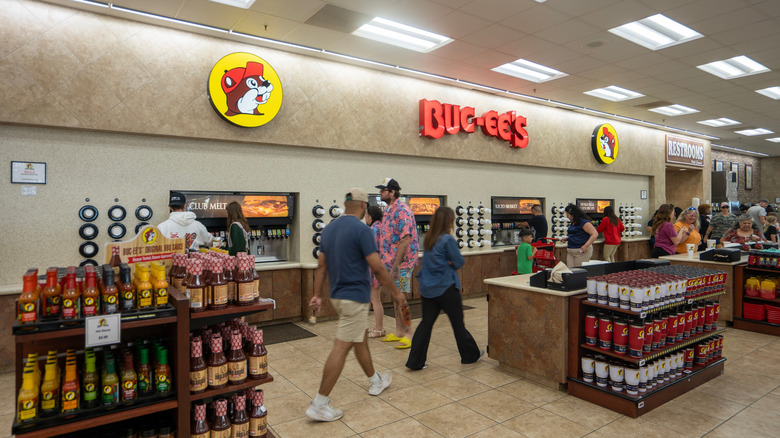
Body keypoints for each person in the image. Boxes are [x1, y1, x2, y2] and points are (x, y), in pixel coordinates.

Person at [306, 188, 407, 422]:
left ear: (345, 203)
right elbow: (378, 267)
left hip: (337, 296)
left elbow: (321, 266)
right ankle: (320, 403)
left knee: (359, 339)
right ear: (363, 207)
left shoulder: (329, 229)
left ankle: (375, 380)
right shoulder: (362, 230)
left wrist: (316, 295)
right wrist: (396, 292)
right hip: (355, 297)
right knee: (341, 347)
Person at [406, 206, 481, 370]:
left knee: (426, 324)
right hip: (446, 288)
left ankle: (415, 361)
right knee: (457, 324)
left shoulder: (428, 239)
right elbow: (459, 262)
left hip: (428, 289)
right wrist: (450, 262)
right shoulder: (447, 239)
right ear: (449, 221)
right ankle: (469, 355)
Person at [375, 178, 418, 349]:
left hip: (403, 263)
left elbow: (405, 240)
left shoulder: (402, 211)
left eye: (383, 190)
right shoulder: (388, 210)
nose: (380, 193)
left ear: (392, 192)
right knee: (395, 295)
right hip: (391, 262)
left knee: (401, 297)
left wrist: (396, 265)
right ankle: (399, 331)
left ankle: (409, 332)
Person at [365, 205, 386, 338]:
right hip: (379, 267)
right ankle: (378, 326)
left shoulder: (373, 229)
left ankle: (379, 329)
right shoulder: (381, 227)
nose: (365, 218)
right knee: (375, 299)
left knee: (375, 299)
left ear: (370, 217)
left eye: (366, 215)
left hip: (374, 268)